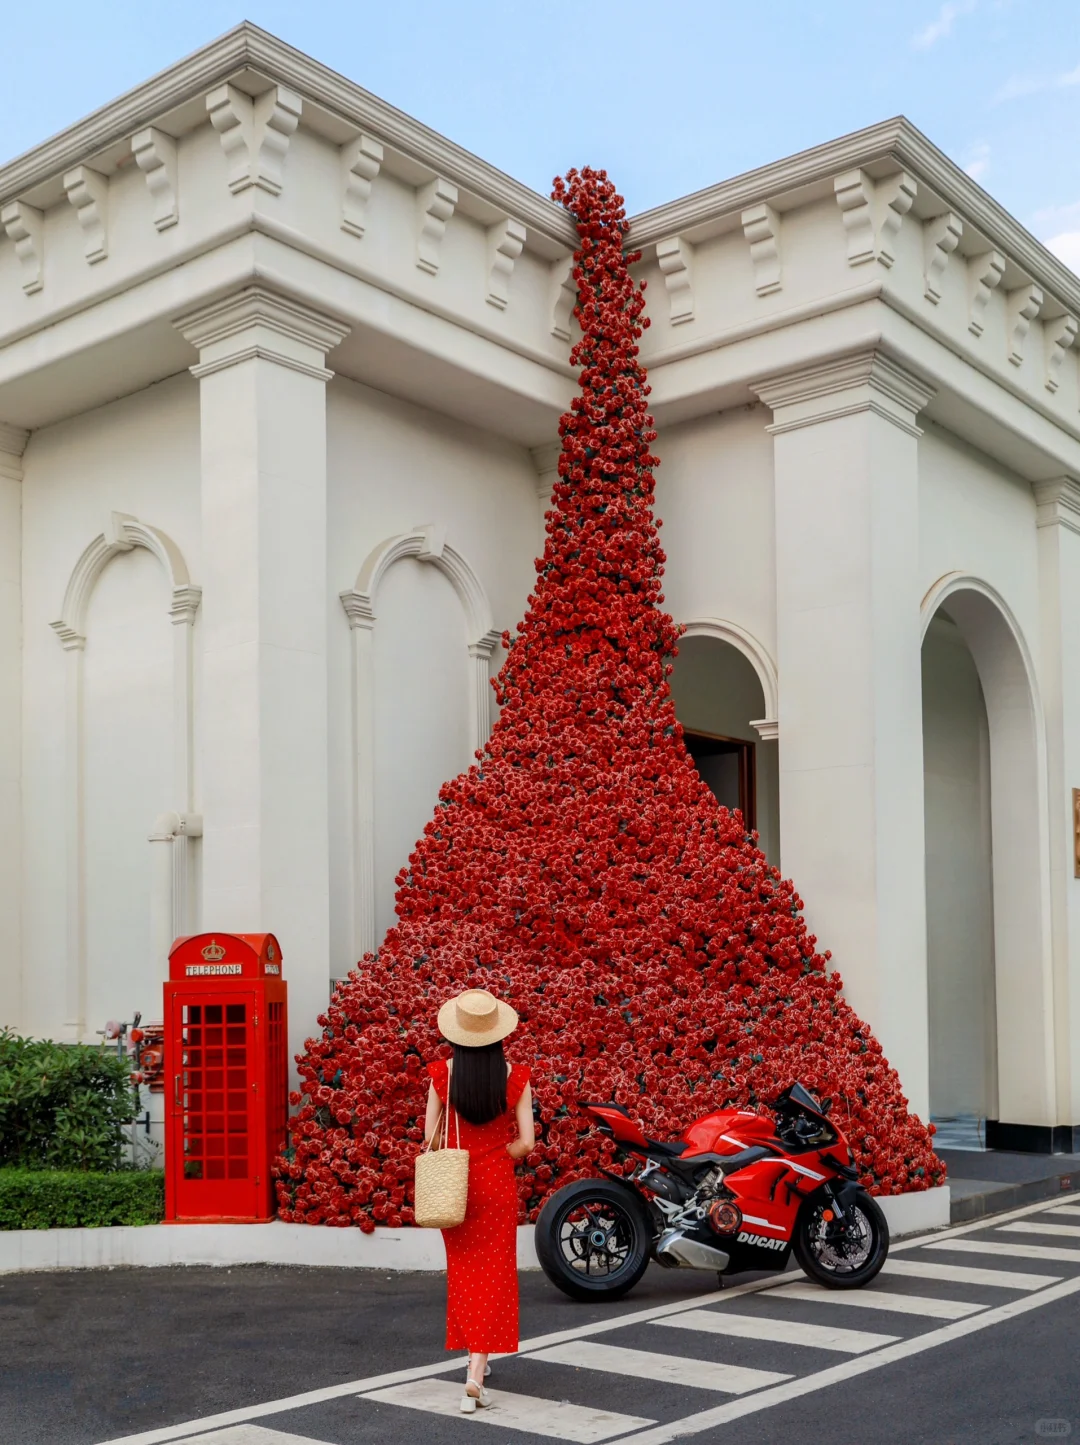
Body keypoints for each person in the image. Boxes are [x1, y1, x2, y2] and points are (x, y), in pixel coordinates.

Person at [424, 988, 535, 1414]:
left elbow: (428, 1137)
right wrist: (496, 1155)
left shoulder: (440, 1074)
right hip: (496, 1185)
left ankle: (475, 1359)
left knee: (466, 1273)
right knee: (495, 1274)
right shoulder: (516, 1077)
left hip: (454, 1185)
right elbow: (525, 1143)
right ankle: (475, 1371)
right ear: (497, 1033)